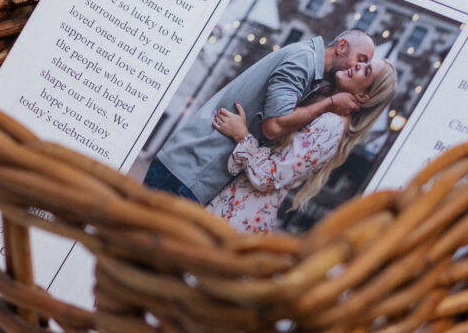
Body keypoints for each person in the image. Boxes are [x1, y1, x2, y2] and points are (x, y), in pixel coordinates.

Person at [145, 28, 377, 205]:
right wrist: (331, 103)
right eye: (362, 59)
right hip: (191, 173)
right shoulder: (303, 61)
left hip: (192, 172)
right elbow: (273, 126)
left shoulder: (310, 69)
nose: (358, 67)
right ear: (342, 46)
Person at [206, 56, 398, 234]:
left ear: (364, 97)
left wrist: (242, 136)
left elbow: (269, 176)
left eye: (366, 71)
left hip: (237, 217)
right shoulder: (325, 111)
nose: (358, 65)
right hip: (236, 209)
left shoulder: (330, 125)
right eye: (364, 63)